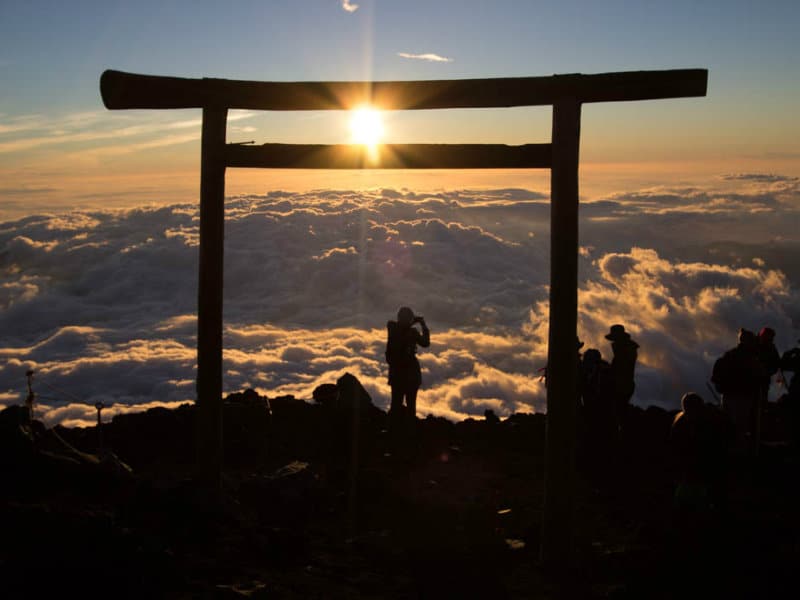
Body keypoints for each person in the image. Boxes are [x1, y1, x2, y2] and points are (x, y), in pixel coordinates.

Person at [711, 328, 765, 454]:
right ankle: (739, 455)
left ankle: (728, 452)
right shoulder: (749, 358)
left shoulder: (729, 355)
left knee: (728, 426)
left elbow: (716, 375)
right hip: (743, 398)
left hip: (728, 396)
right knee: (740, 429)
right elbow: (759, 376)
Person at [385, 307, 430, 423]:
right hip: (411, 376)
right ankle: (410, 433)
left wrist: (413, 321)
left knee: (396, 405)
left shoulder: (392, 328)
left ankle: (394, 431)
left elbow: (400, 326)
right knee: (410, 408)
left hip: (397, 375)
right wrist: (422, 324)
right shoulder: (412, 333)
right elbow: (425, 343)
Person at [604, 324, 639, 434]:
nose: (613, 344)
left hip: (621, 386)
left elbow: (620, 369)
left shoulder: (624, 351)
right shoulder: (627, 349)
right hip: (625, 385)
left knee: (618, 413)